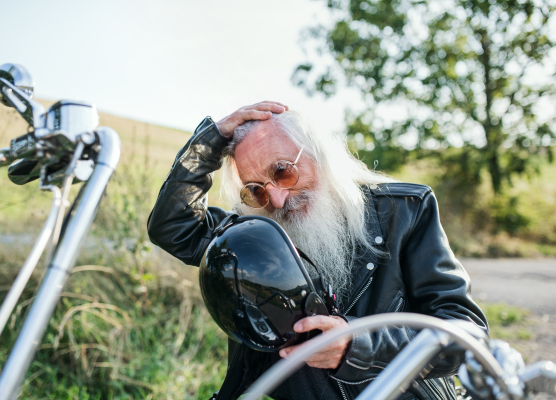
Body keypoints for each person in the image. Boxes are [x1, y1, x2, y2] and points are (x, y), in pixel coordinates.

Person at [147, 101, 488, 400]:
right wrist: (210, 140)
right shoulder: (252, 233)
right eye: (256, 190)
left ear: (319, 155)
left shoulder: (404, 212)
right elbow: (172, 226)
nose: (278, 200)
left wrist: (357, 346)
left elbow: (466, 334)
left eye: (282, 171)